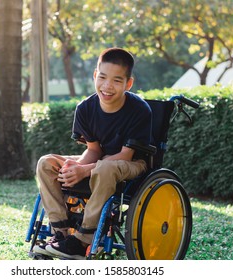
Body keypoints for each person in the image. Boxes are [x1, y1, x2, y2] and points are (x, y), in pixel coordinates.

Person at [33, 47, 152, 259]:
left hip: (132, 163)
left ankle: (82, 240)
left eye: (117, 80)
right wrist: (76, 167)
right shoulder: (85, 108)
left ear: (128, 83)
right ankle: (60, 234)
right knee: (46, 163)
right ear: (95, 75)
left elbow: (125, 156)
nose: (107, 86)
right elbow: (94, 150)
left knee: (105, 168)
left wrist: (84, 171)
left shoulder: (139, 110)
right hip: (100, 161)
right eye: (103, 77)